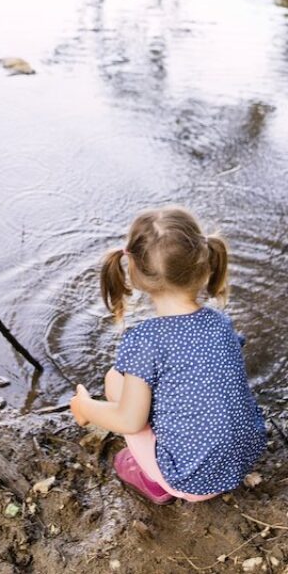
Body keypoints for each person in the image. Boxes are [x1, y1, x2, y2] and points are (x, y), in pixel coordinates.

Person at [70, 207, 266, 504]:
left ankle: (156, 483)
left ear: (132, 271)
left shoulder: (144, 338)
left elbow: (130, 421)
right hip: (243, 457)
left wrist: (86, 408)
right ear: (204, 263)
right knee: (132, 383)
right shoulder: (220, 322)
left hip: (192, 480)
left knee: (114, 382)